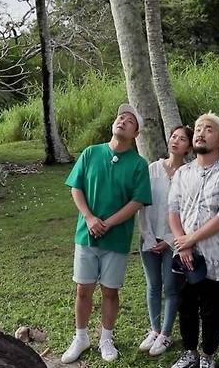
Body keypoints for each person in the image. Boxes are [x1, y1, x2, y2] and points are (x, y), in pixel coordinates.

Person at [61, 103, 152, 364]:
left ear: (136, 133)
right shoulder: (91, 153)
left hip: (116, 238)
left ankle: (106, 338)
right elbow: (76, 188)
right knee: (83, 288)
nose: (122, 120)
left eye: (130, 120)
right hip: (86, 234)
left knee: (110, 291)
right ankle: (81, 337)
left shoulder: (138, 164)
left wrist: (108, 223)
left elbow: (137, 201)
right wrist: (89, 218)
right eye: (120, 117)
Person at [168, 112, 219, 368]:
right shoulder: (183, 173)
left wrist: (191, 240)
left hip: (215, 255)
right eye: (198, 128)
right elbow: (173, 210)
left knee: (210, 309)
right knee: (185, 305)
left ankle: (208, 355)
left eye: (208, 129)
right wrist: (182, 241)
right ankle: (190, 352)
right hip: (184, 254)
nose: (200, 132)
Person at [137, 125, 194, 356]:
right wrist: (149, 237)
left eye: (182, 139)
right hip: (149, 239)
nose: (175, 141)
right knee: (153, 286)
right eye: (173, 136)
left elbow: (189, 212)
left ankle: (166, 334)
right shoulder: (153, 169)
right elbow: (142, 206)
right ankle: (154, 329)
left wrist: (170, 240)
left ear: (189, 147)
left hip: (175, 242)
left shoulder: (189, 173)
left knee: (170, 288)